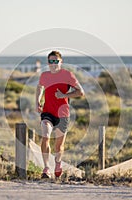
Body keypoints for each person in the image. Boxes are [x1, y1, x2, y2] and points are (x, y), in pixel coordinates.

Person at [36, 50, 85, 178]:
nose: (53, 64)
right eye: (51, 61)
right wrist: (37, 101)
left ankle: (58, 163)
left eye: (56, 61)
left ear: (61, 62)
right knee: (45, 137)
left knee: (59, 145)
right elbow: (40, 87)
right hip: (47, 112)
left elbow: (81, 92)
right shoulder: (44, 75)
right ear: (48, 62)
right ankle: (46, 168)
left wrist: (64, 95)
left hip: (63, 114)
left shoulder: (67, 75)